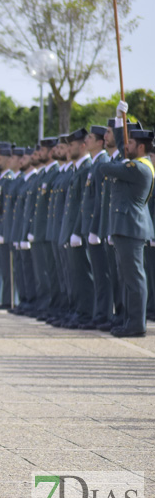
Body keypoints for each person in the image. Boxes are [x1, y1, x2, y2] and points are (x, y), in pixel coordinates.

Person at [101, 121, 154, 338]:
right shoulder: (135, 165)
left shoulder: (139, 168)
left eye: (130, 143)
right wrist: (120, 125)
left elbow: (105, 167)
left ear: (140, 147)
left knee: (134, 278)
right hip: (127, 227)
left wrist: (119, 131)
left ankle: (136, 323)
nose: (126, 147)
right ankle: (129, 321)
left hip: (131, 228)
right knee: (128, 277)